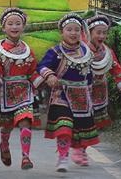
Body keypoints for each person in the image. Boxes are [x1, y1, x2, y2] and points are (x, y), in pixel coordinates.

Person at [70, 14, 121, 166]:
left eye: (104, 32)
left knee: (92, 124)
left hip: (99, 93)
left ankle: (82, 148)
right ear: (90, 32)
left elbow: (117, 71)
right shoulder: (79, 50)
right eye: (98, 32)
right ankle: (77, 148)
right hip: (80, 92)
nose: (102, 36)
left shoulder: (107, 53)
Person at [35, 13, 99, 173]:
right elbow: (42, 66)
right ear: (62, 32)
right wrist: (49, 75)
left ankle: (80, 151)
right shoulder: (55, 52)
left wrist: (91, 92)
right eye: (69, 29)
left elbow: (90, 75)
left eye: (77, 30)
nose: (73, 33)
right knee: (64, 126)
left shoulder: (86, 52)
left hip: (83, 97)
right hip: (61, 95)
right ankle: (63, 157)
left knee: (81, 130)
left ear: (81, 32)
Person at [0, 7, 38, 170]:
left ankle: (26, 157)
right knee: (8, 126)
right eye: (10, 24)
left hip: (25, 93)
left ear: (23, 26)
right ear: (4, 28)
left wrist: (43, 80)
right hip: (5, 93)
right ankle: (4, 143)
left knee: (25, 123)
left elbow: (32, 71)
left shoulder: (28, 50)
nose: (14, 27)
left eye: (18, 23)